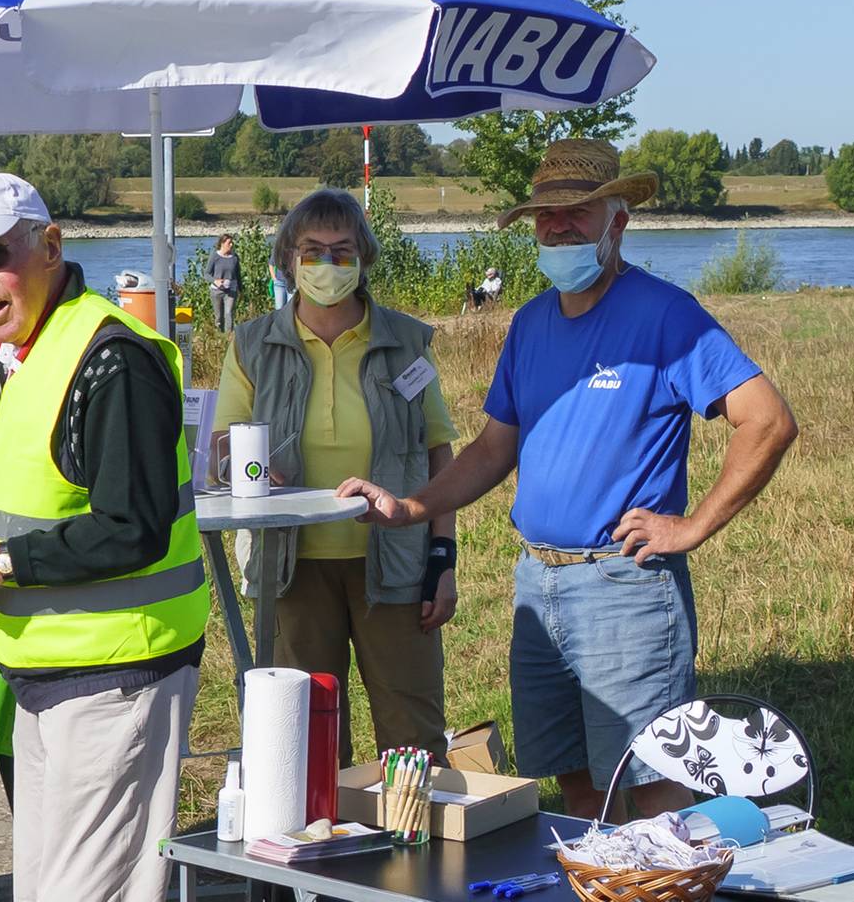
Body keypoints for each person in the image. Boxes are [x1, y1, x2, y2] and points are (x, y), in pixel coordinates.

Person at [340, 139, 798, 821]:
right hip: (538, 587)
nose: (558, 229)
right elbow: (495, 448)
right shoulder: (529, 324)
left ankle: (664, 889)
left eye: (577, 214)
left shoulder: (664, 315)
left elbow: (766, 420)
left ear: (618, 221)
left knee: (651, 784)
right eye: (544, 217)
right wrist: (409, 506)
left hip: (626, 589)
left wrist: (691, 526)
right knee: (575, 783)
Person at [0, 171, 207, 902]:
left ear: (51, 246)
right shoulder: (3, 359)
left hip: (120, 674)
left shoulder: (112, 358)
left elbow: (131, 528)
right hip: (41, 676)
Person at [213, 189, 460, 763]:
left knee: (412, 733)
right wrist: (247, 467)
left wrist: (443, 561)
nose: (327, 264)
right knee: (302, 738)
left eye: (342, 251)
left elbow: (438, 457)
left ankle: (411, 841)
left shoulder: (405, 343)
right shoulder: (252, 344)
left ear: (364, 258)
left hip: (396, 567)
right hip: (290, 571)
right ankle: (321, 846)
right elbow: (222, 444)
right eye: (313, 250)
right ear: (288, 260)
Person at [208, 234, 242, 333]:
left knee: (229, 313)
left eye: (232, 243)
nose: (231, 245)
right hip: (216, 290)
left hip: (231, 290)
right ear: (222, 244)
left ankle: (229, 336)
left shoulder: (234, 257)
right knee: (219, 316)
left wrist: (240, 289)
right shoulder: (215, 256)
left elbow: (238, 274)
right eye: (229, 243)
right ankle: (219, 336)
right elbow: (206, 274)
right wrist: (215, 281)